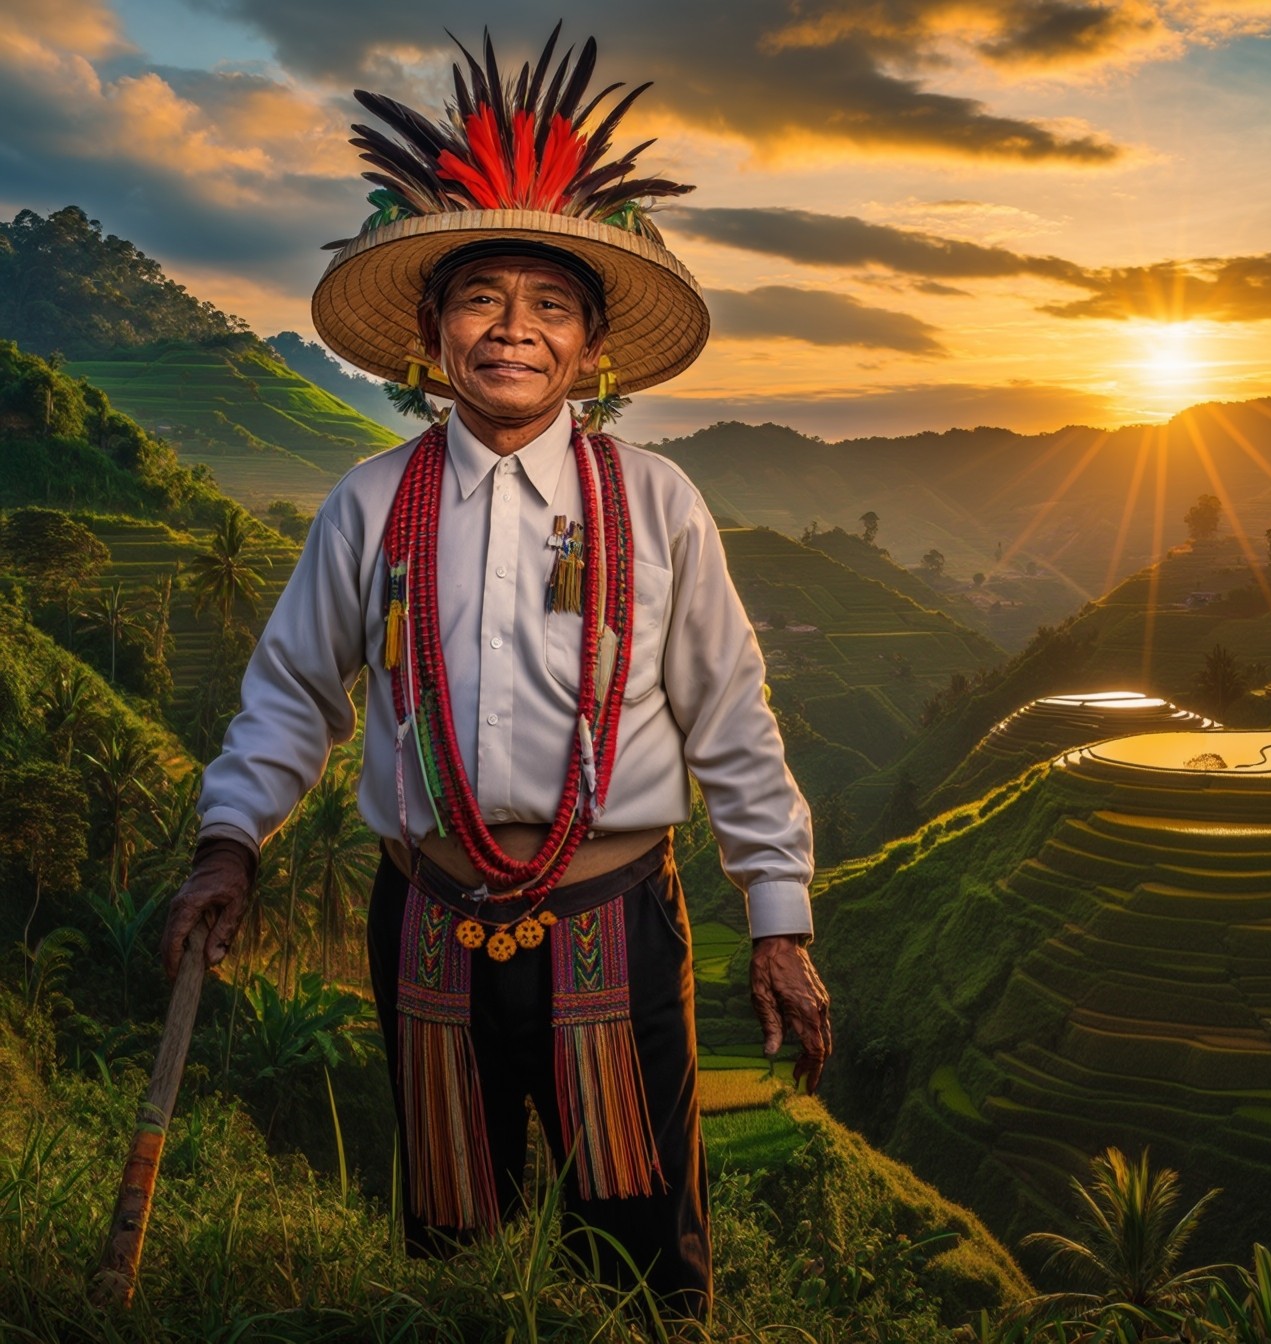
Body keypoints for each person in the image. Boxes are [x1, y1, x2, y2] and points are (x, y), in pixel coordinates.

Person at [158, 27, 831, 1318]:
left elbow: (727, 713)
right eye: (481, 300)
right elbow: (295, 692)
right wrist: (229, 843)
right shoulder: (368, 506)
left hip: (613, 917)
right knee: (449, 1238)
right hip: (424, 914)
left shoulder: (654, 498)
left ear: (592, 350)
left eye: (549, 307)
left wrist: (778, 923)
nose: (512, 331)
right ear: (432, 333)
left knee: (641, 1239)